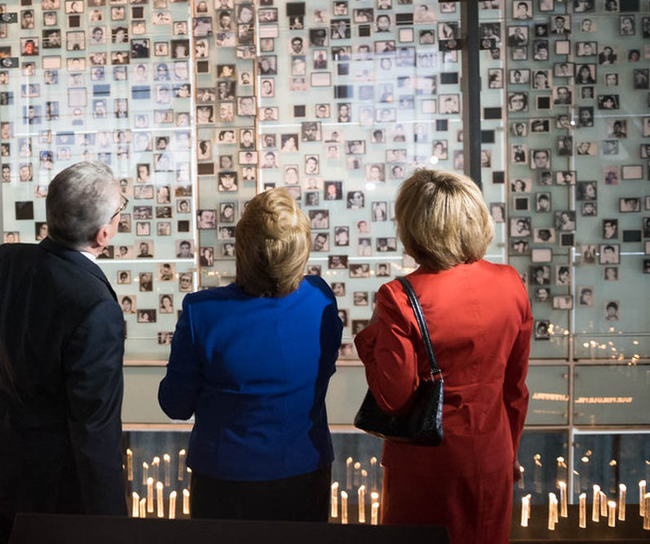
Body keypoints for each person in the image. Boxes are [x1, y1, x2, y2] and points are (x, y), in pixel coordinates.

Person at [354, 169, 532, 544]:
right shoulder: (511, 283)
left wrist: (370, 338)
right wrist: (511, 451)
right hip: (493, 456)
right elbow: (514, 389)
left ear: (415, 228)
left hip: (427, 466)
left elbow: (393, 397)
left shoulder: (400, 296)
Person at [158, 187, 343, 521]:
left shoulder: (203, 311)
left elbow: (175, 404)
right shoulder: (321, 299)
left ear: (241, 248)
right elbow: (323, 370)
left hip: (225, 478)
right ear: (300, 252)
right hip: (304, 471)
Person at [0, 162, 128, 544]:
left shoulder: (1, 261)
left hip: (0, 467)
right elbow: (95, 426)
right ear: (103, 233)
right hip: (56, 496)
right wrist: (113, 521)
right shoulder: (95, 307)